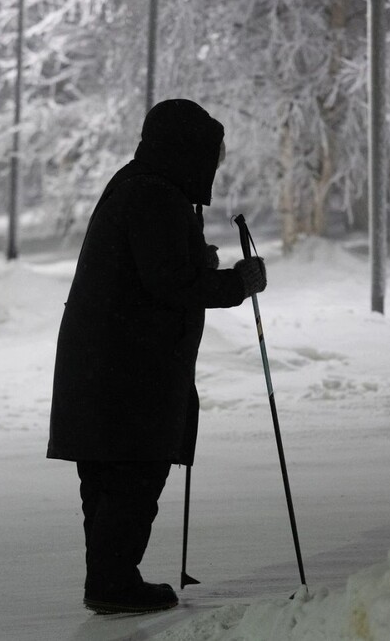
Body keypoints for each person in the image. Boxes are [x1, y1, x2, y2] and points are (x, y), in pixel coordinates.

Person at [47, 99, 267, 614]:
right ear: (187, 150)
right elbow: (170, 283)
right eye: (213, 154)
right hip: (130, 370)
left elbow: (149, 266)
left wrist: (196, 257)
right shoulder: (155, 195)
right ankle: (113, 582)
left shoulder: (137, 184)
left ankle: (109, 578)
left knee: (106, 478)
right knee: (133, 475)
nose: (215, 165)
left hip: (104, 363)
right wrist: (238, 281)